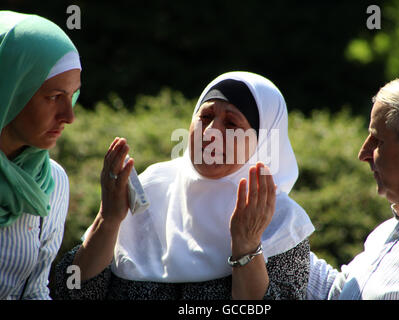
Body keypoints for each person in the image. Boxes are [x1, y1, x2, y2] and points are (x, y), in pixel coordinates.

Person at [53, 71, 315, 300]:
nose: (211, 132)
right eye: (206, 116)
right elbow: (69, 291)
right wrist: (107, 221)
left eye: (232, 123)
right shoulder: (150, 188)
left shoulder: (281, 223)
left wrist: (246, 246)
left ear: (263, 143)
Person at [308, 74, 399, 300]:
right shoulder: (388, 230)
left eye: (377, 140)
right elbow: (334, 294)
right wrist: (270, 231)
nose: (363, 153)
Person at [0, 11, 82, 299]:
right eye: (53, 97)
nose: (69, 116)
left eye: (72, 96)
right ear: (9, 89)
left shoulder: (51, 181)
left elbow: (35, 289)